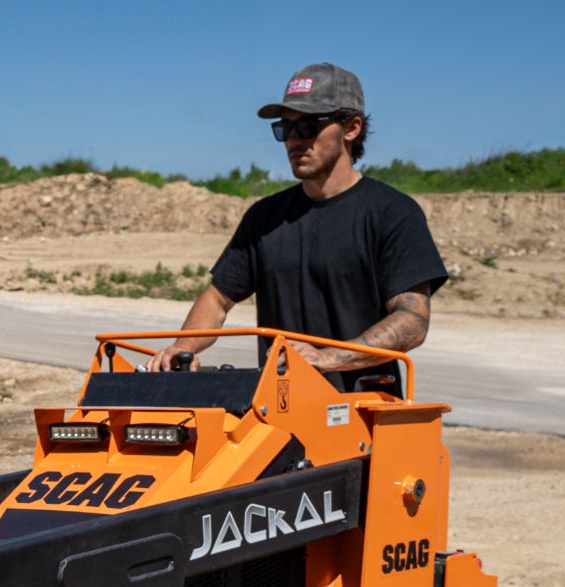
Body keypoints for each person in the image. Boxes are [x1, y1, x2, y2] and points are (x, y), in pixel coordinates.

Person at [147, 63, 448, 392]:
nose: (293, 140)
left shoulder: (392, 213)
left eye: (307, 126)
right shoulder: (265, 217)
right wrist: (182, 348)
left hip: (364, 416)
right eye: (284, 129)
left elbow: (412, 321)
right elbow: (217, 300)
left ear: (352, 127)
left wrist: (329, 357)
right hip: (281, 411)